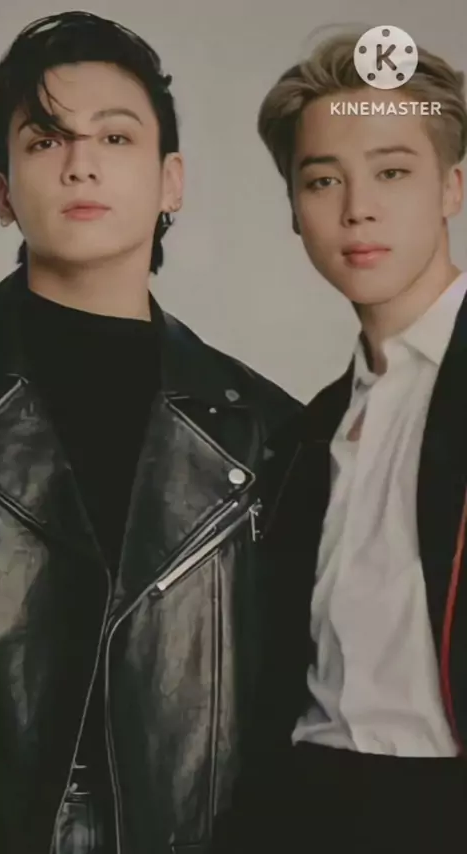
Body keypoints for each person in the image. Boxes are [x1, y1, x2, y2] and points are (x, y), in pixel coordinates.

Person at [0, 11, 298, 854]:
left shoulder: (266, 433)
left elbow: (288, 716)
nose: (81, 162)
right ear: (4, 192)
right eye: (45, 140)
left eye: (115, 137)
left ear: (171, 182)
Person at [213, 31, 467, 853]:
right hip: (309, 805)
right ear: (294, 210)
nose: (357, 208)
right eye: (323, 179)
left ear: (452, 186)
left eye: (392, 172)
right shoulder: (302, 434)